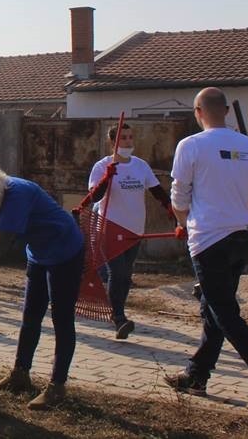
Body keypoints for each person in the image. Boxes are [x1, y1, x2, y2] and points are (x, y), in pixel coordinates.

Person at [165, 87, 248, 414]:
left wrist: (182, 220)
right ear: (226, 112)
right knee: (212, 305)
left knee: (222, 311)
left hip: (207, 239)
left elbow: (178, 196)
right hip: (239, 239)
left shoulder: (190, 145)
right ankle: (197, 374)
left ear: (198, 112)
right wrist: (245, 205)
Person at [0, 159, 84, 410]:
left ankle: (57, 386)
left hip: (65, 252)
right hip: (39, 254)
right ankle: (20, 374)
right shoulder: (3, 196)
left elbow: (1, 243)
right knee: (30, 316)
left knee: (62, 320)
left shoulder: (16, 194)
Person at [85, 123, 174, 340]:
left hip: (135, 228)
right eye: (123, 138)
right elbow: (94, 197)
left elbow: (157, 191)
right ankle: (119, 318)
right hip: (109, 226)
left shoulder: (140, 166)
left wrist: (172, 209)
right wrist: (108, 177)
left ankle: (118, 312)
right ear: (112, 142)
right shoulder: (102, 166)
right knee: (118, 273)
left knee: (126, 276)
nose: (128, 141)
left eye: (130, 137)